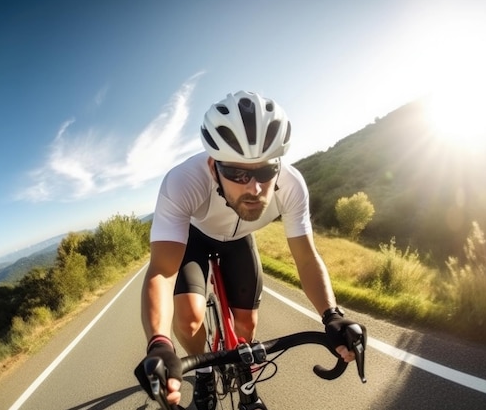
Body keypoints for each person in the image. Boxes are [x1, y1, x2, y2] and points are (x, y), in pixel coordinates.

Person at [135, 90, 363, 409]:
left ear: (278, 165)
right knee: (188, 319)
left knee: (247, 327)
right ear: (214, 167)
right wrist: (159, 343)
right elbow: (161, 270)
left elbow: (306, 257)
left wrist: (332, 315)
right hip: (195, 238)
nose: (254, 188)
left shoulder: (292, 186)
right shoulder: (183, 182)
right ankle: (202, 371)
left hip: (241, 242)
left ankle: (245, 375)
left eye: (265, 171)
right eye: (237, 173)